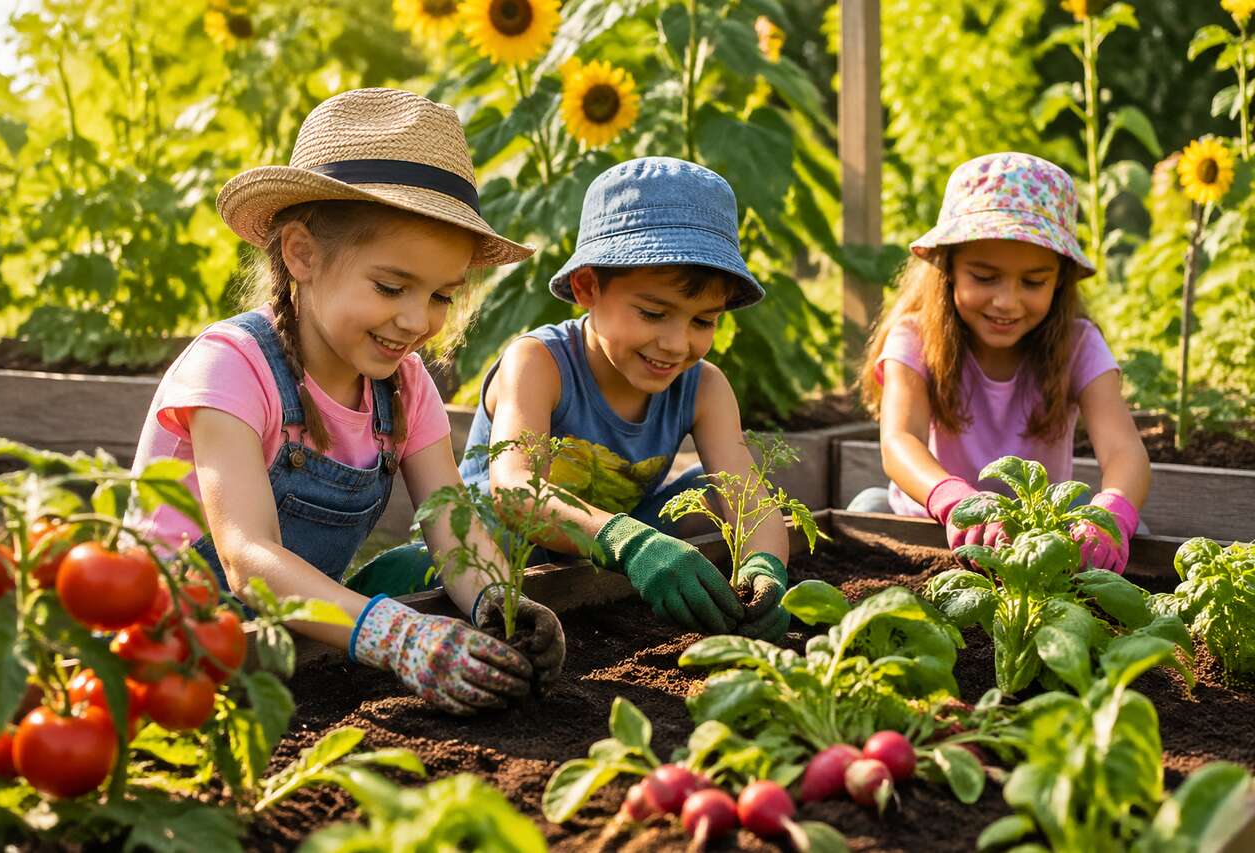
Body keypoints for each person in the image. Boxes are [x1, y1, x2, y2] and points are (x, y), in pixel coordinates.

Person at [128, 88, 565, 714]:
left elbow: (452, 526)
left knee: (417, 567)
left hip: (293, 630)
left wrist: (503, 601)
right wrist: (399, 636)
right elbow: (247, 558)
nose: (417, 320)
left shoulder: (404, 386)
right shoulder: (232, 365)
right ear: (301, 254)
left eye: (441, 296)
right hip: (174, 642)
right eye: (391, 287)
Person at [456, 156, 793, 641]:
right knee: (411, 570)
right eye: (654, 313)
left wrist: (764, 569)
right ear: (587, 286)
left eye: (703, 321)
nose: (676, 344)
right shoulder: (538, 362)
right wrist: (632, 544)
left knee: (709, 491)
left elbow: (749, 501)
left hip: (599, 564)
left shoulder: (704, 386)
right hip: (485, 560)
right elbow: (514, 493)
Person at [853, 152, 1150, 574]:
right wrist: (955, 502)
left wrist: (1112, 513)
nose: (1007, 302)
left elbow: (1124, 450)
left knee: (1134, 531)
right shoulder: (915, 337)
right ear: (948, 267)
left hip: (1038, 538)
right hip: (929, 525)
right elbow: (900, 441)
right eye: (984, 277)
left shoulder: (1078, 344)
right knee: (865, 509)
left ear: (1060, 280)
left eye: (1033, 282)